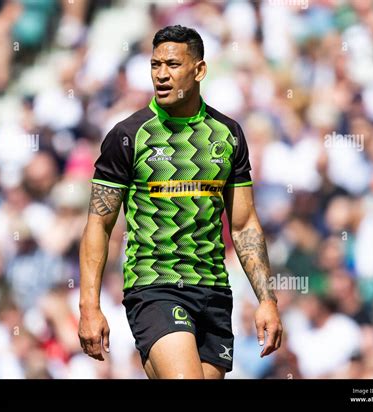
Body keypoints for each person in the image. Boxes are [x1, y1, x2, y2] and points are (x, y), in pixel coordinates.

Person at [78, 25, 283, 379]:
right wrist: (88, 306)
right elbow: (99, 223)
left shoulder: (228, 134)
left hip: (214, 289)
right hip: (155, 285)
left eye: (172, 65)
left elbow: (244, 223)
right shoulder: (128, 136)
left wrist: (267, 299)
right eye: (155, 65)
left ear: (199, 70)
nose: (161, 75)